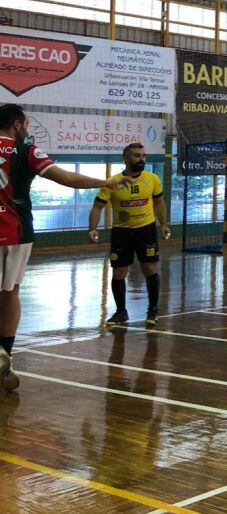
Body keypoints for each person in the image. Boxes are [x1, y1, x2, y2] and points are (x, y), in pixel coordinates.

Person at [0, 104, 131, 393]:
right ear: (17, 125)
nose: (27, 128)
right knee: (9, 292)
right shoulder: (27, 152)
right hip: (13, 231)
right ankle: (3, 352)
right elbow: (67, 179)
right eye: (26, 123)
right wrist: (107, 181)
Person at [88, 143, 171, 328]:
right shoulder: (113, 181)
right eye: (136, 155)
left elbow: (159, 203)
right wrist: (93, 228)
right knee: (119, 272)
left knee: (149, 268)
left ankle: (153, 310)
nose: (141, 158)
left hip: (146, 230)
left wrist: (164, 223)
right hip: (122, 232)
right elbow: (98, 206)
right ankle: (121, 312)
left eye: (143, 155)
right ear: (126, 158)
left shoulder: (152, 179)